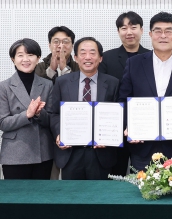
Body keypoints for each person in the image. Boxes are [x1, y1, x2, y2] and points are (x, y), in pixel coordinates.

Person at [118, 12, 172, 171]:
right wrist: (129, 126)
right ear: (150, 34)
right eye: (158, 31)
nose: (163, 36)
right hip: (142, 146)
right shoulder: (134, 64)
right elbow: (124, 99)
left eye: (168, 31)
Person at [49, 37, 120, 180]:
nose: (88, 57)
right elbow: (53, 113)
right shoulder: (62, 82)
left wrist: (109, 136)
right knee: (72, 193)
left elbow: (119, 115)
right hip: (71, 152)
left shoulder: (113, 83)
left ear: (100, 58)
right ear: (76, 58)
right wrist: (59, 134)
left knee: (100, 193)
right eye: (83, 53)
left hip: (101, 153)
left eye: (92, 53)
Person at [99, 12, 150, 176]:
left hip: (144, 126)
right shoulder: (106, 58)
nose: (129, 32)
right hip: (115, 127)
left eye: (133, 27)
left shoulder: (152, 57)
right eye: (124, 28)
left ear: (142, 30)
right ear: (118, 31)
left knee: (144, 175)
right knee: (115, 175)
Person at [0, 38, 53, 179]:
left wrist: (39, 114)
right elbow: (2, 123)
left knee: (42, 192)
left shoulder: (47, 84)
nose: (25, 59)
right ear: (13, 59)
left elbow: (52, 120)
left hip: (42, 152)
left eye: (30, 55)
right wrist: (27, 114)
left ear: (38, 58)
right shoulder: (3, 86)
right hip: (15, 154)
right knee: (16, 193)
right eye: (20, 55)